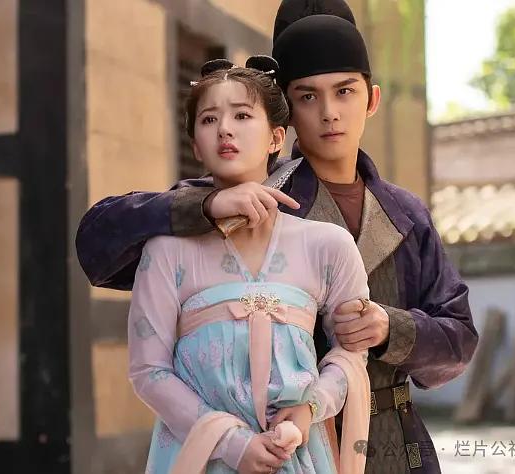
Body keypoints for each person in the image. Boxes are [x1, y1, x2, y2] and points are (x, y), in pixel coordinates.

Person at [77, 2, 478, 473]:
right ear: (283, 115)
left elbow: (460, 338)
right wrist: (203, 206)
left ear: (371, 99)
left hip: (392, 442)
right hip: (276, 444)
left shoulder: (407, 214)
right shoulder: (239, 198)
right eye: (307, 96)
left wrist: (391, 328)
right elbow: (99, 241)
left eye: (344, 92)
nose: (329, 113)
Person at [128, 57, 371, 474]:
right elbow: (148, 370)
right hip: (201, 457)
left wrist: (310, 408)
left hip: (296, 452)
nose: (225, 129)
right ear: (195, 145)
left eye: (242, 115)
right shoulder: (167, 251)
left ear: (276, 137)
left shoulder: (327, 245)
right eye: (209, 119)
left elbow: (351, 353)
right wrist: (232, 444)